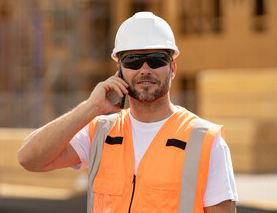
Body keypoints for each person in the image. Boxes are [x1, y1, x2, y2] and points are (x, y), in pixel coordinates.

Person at [18, 12, 238, 213]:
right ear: (119, 71)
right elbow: (30, 159)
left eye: (155, 60)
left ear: (172, 68)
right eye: (132, 60)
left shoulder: (206, 141)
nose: (145, 69)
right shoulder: (100, 133)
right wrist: (90, 108)